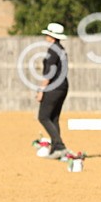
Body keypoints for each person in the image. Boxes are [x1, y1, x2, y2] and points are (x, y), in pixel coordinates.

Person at [36, 23, 70, 159]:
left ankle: (60, 146)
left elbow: (49, 73)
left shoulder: (53, 50)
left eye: (48, 34)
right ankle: (55, 149)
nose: (46, 36)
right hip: (63, 86)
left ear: (52, 36)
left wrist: (41, 90)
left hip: (54, 87)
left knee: (43, 117)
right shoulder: (61, 49)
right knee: (53, 118)